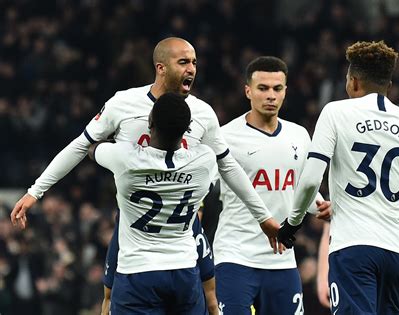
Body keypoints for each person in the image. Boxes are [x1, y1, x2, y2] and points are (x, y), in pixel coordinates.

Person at [10, 37, 280, 315]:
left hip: (180, 227)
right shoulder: (123, 104)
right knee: (109, 298)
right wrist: (36, 191)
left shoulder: (203, 113)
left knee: (208, 297)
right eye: (184, 62)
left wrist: (263, 217)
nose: (192, 69)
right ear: (161, 68)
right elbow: (79, 145)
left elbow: (229, 166)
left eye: (195, 62)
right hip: (132, 223)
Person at [279, 41, 399, 314]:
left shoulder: (336, 112)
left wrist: (292, 224)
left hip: (352, 248)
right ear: (389, 86)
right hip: (396, 253)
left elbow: (309, 180)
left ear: (352, 81)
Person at [212, 56, 330, 315]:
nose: (270, 96)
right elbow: (202, 189)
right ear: (248, 91)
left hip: (282, 261)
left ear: (285, 91)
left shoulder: (299, 135)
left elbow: (302, 191)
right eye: (262, 88)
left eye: (277, 89)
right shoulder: (225, 137)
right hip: (235, 257)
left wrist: (322, 206)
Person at [88, 92, 216, 313]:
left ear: (149, 123)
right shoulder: (205, 160)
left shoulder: (125, 157)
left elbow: (91, 149)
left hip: (138, 272)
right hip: (184, 270)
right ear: (187, 130)